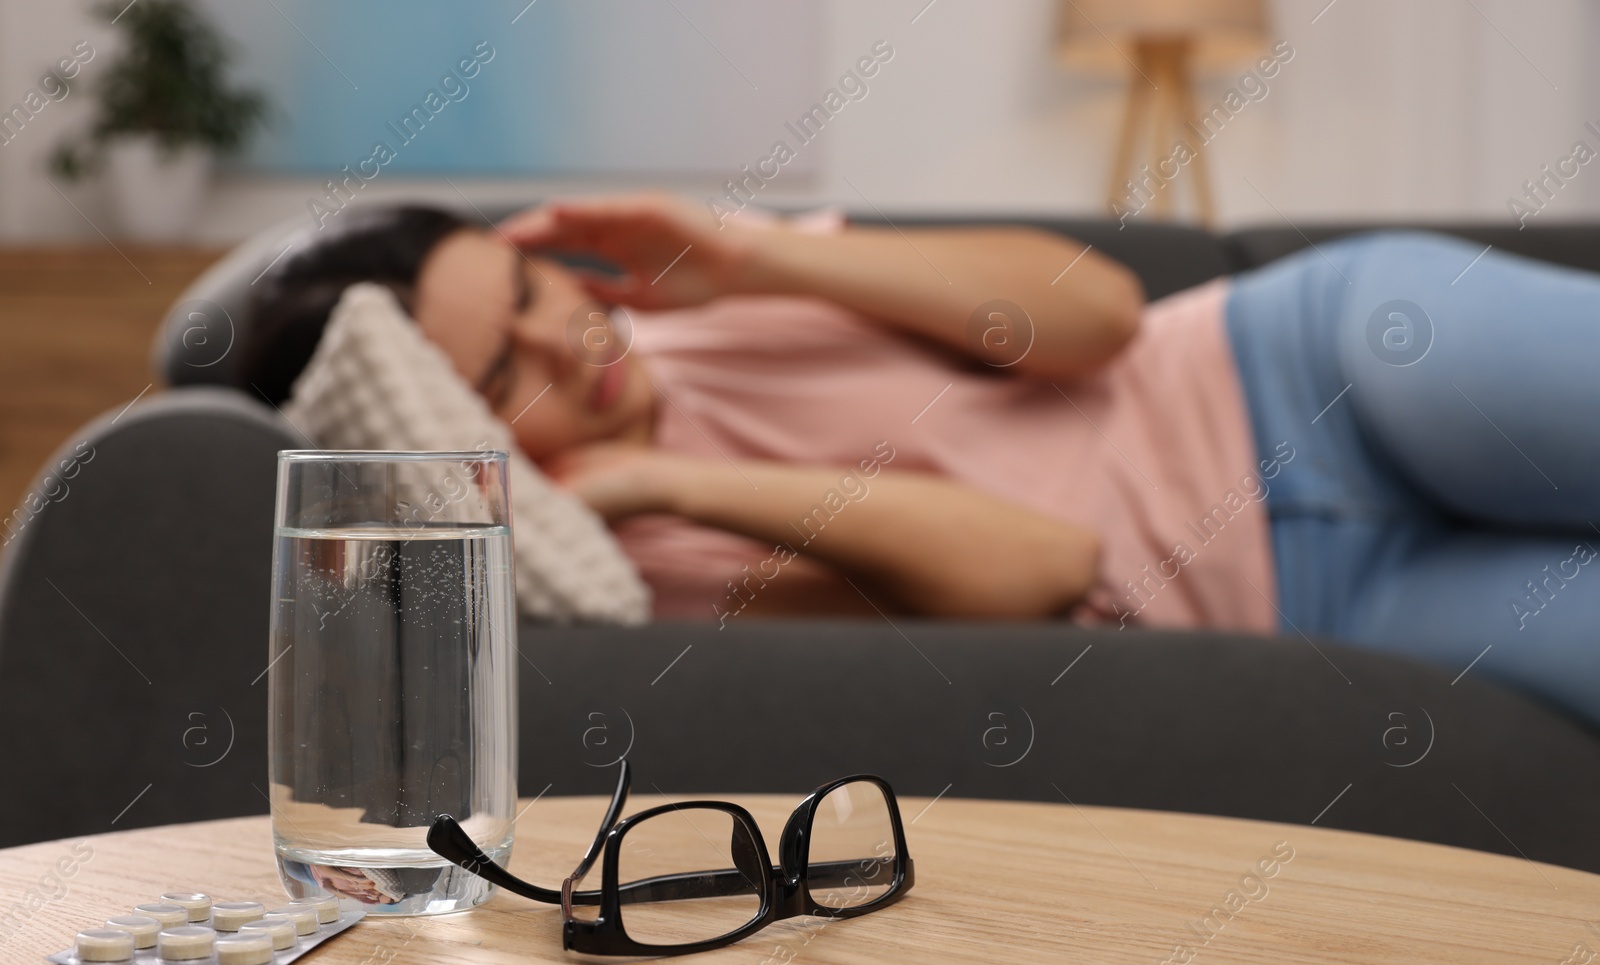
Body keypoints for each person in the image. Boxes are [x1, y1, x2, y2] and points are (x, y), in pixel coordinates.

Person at [243, 196, 1600, 727]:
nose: (574, 339)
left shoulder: (707, 291)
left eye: (537, 287)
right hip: (1316, 604)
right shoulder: (634, 582)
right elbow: (1049, 565)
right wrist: (666, 485)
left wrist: (765, 253)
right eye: (501, 375)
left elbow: (1100, 315)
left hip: (1311, 364)